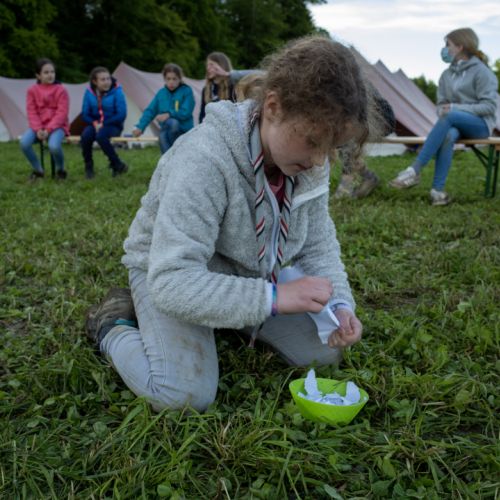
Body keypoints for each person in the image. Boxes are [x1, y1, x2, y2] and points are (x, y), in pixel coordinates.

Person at [85, 36, 367, 413]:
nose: (319, 160)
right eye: (314, 141)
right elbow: (172, 281)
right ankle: (112, 325)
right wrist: (273, 298)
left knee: (322, 352)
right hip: (167, 272)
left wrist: (340, 305)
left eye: (330, 147)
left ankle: (224, 318)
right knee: (183, 395)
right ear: (273, 107)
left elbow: (318, 244)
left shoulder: (308, 163)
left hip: (246, 273)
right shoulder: (204, 158)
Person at [389, 28, 498, 205]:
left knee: (450, 115)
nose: (444, 49)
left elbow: (490, 106)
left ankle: (414, 170)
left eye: (448, 45)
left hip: (481, 125)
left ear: (460, 47)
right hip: (454, 124)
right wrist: (445, 111)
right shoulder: (446, 75)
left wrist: (455, 108)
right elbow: (441, 106)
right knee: (448, 134)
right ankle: (437, 192)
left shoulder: (482, 72)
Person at [334, 86, 395, 199]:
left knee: (347, 135)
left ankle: (346, 186)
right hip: (363, 114)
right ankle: (369, 177)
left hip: (381, 117)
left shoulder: (345, 81)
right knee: (344, 136)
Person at [20, 58, 69, 180]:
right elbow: (32, 112)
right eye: (46, 72)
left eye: (52, 72)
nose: (50, 75)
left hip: (58, 126)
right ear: (38, 75)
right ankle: (38, 170)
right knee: (24, 143)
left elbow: (62, 113)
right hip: (38, 127)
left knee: (54, 147)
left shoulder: (61, 90)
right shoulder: (32, 90)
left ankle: (61, 170)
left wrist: (48, 129)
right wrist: (38, 129)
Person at [132, 63, 195, 154]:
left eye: (174, 79)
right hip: (166, 131)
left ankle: (176, 153)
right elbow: (150, 111)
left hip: (183, 131)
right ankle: (169, 157)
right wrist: (140, 127)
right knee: (164, 142)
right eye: (168, 79)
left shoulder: (187, 91)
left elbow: (186, 112)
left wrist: (169, 114)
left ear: (180, 79)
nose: (171, 82)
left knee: (173, 123)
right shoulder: (161, 93)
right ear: (164, 79)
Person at [80, 66, 128, 179]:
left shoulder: (117, 91)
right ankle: (88, 166)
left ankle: (117, 163)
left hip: (113, 124)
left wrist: (104, 123)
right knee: (85, 136)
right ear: (95, 81)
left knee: (101, 136)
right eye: (103, 79)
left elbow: (121, 114)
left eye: (108, 79)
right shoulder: (89, 92)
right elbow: (85, 114)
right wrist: (94, 123)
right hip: (95, 124)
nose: (107, 82)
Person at [199, 52, 253, 123]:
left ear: (221, 65)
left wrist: (226, 74)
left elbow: (257, 74)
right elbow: (202, 114)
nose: (208, 68)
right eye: (207, 65)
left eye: (211, 64)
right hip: (210, 126)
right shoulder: (206, 90)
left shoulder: (233, 87)